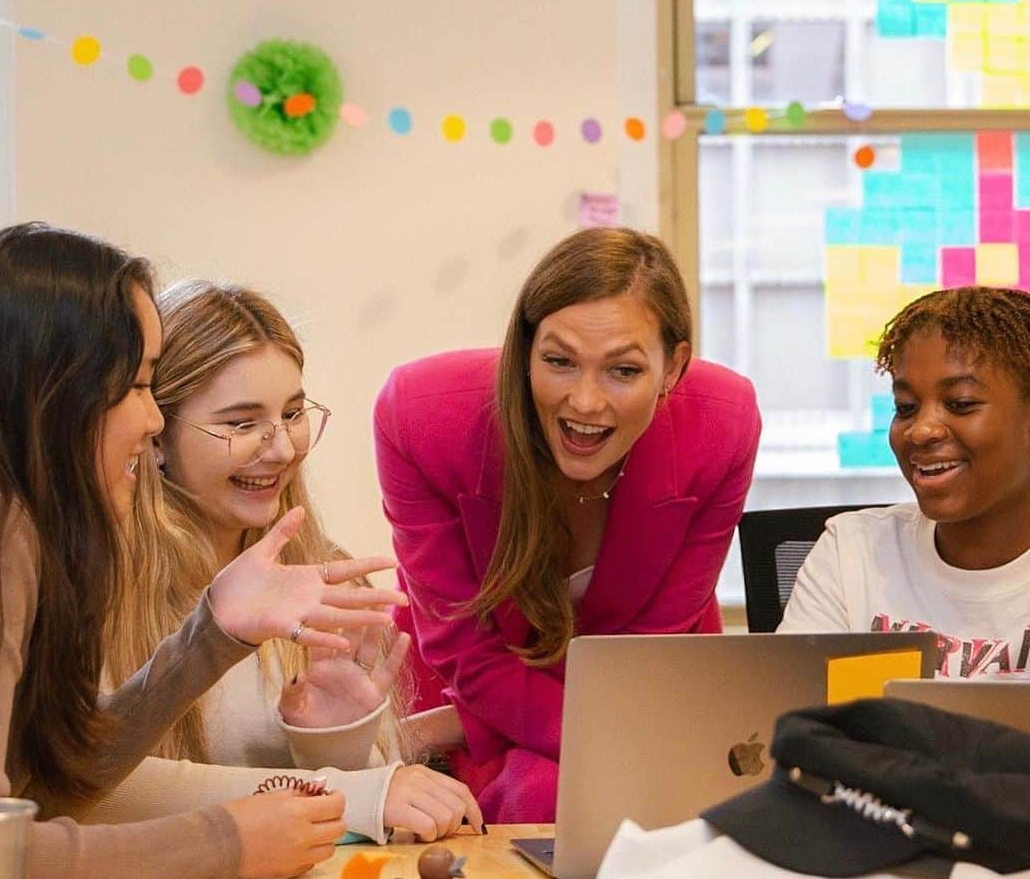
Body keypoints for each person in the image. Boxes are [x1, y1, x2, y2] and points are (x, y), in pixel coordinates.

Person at [0, 224, 405, 879]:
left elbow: (54, 779)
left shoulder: (16, 531)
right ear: (56, 395)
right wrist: (224, 838)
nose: (151, 420)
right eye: (135, 385)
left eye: (292, 412)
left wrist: (215, 632)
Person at [373, 227, 762, 821]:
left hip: (642, 683)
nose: (584, 401)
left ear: (674, 367)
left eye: (623, 371)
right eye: (558, 361)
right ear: (524, 352)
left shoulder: (724, 423)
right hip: (481, 683)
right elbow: (469, 655)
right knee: (542, 797)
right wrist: (596, 746)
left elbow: (648, 652)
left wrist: (620, 747)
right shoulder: (422, 417)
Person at [91, 280, 481, 843]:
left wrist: (336, 741)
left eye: (293, 414)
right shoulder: (97, 584)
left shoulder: (325, 574)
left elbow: (384, 820)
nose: (281, 450)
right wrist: (340, 791)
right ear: (156, 435)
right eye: (241, 423)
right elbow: (87, 785)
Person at [779, 286, 1030, 678]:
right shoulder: (851, 553)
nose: (920, 431)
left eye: (960, 404)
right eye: (905, 408)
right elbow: (792, 717)